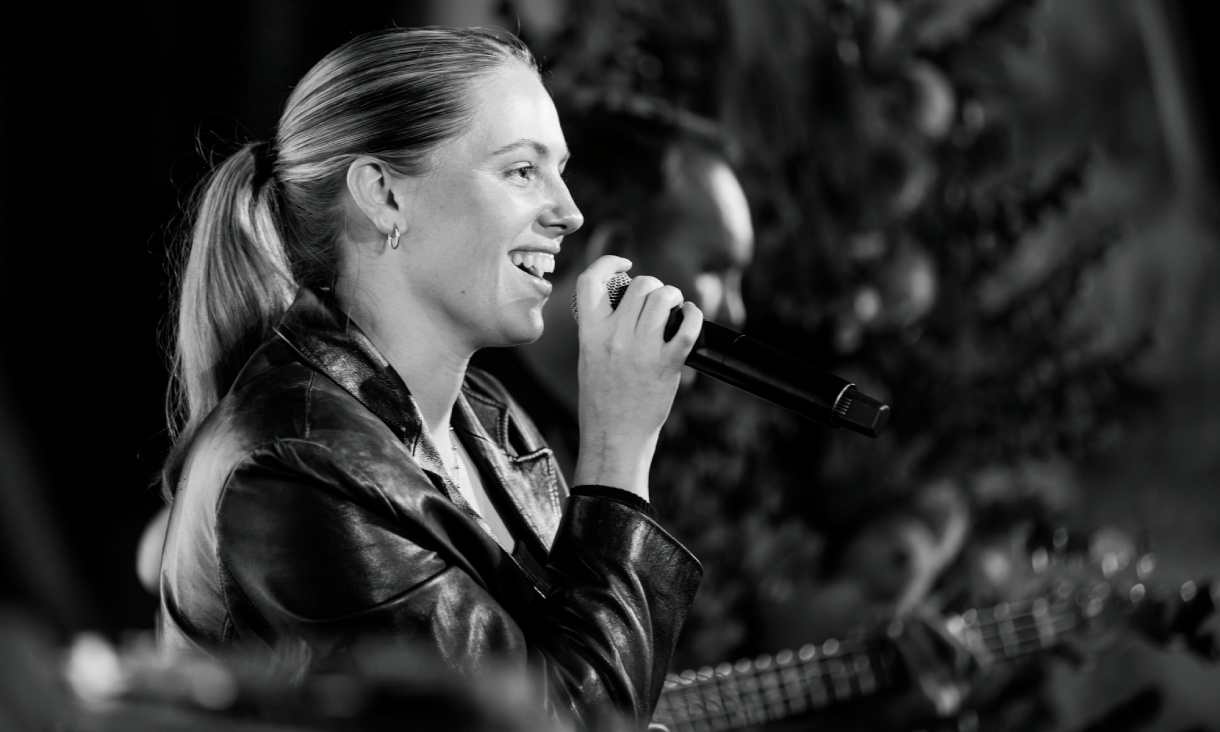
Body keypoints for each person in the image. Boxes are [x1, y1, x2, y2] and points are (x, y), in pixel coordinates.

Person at [155, 27, 705, 731]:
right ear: (384, 194)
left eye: (561, 171)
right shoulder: (298, 461)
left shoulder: (488, 417)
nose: (570, 213)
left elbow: (575, 671)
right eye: (521, 171)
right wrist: (618, 452)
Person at [471, 92, 755, 481]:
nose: (735, 312)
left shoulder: (636, 450)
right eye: (713, 269)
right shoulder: (459, 430)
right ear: (615, 253)